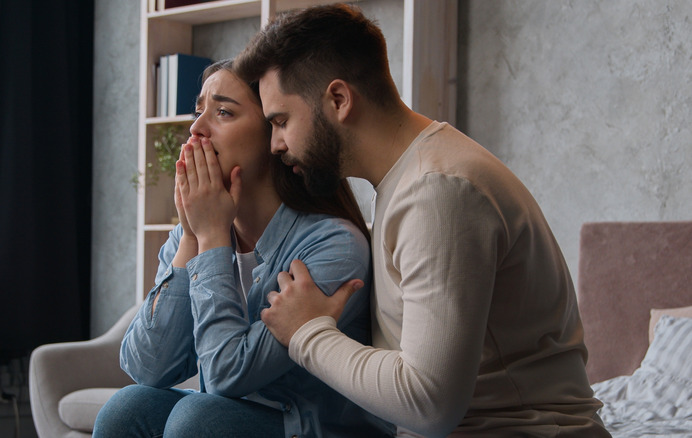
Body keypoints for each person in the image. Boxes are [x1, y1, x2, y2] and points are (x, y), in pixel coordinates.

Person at [234, 4, 612, 437]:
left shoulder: (438, 192)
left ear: (338, 100)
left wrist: (306, 334)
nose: (276, 145)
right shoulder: (410, 180)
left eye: (281, 121)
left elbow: (428, 403)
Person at [92, 59, 393, 438]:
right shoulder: (199, 229)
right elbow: (146, 367)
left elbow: (224, 377)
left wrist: (213, 239)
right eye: (198, 110)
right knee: (127, 408)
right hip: (226, 416)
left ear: (274, 134)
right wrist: (191, 237)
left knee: (199, 420)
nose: (196, 128)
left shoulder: (333, 244)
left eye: (222, 112)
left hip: (315, 428)